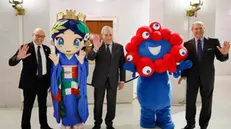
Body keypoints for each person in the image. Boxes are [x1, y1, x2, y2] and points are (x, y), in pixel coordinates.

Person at [178, 21, 230, 129]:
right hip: (192, 77)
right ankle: (190, 124)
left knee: (207, 101)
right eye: (195, 28)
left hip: (207, 77)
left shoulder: (213, 42)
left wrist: (224, 54)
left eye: (200, 28)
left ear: (204, 29)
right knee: (190, 101)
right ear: (192, 30)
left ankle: (204, 125)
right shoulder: (187, 44)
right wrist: (183, 74)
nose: (198, 30)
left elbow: (221, 58)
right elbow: (185, 61)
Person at [49, 10, 90, 129]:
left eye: (76, 41)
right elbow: (53, 73)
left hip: (76, 83)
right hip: (63, 84)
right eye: (61, 40)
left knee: (76, 102)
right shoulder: (58, 56)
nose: (67, 47)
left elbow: (85, 73)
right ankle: (66, 122)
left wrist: (82, 63)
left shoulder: (80, 55)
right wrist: (56, 65)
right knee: (65, 103)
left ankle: (77, 121)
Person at [9, 28, 52, 129]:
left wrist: (50, 83)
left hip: (43, 82)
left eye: (42, 37)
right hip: (29, 84)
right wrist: (19, 57)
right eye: (37, 36)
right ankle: (25, 127)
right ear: (33, 35)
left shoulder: (47, 49)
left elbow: (49, 66)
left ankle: (44, 125)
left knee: (43, 106)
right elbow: (11, 62)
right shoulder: (25, 48)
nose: (40, 38)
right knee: (28, 107)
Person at [88, 26, 126, 129]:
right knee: (98, 103)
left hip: (113, 80)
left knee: (112, 104)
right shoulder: (97, 45)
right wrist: (95, 49)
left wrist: (122, 80)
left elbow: (122, 65)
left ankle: (109, 123)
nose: (108, 37)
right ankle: (97, 123)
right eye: (106, 35)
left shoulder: (119, 47)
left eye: (110, 35)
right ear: (102, 35)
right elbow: (90, 57)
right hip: (99, 79)